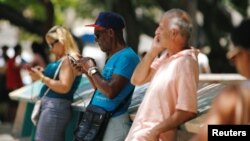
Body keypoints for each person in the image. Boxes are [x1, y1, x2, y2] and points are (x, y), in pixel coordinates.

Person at [125, 9, 199, 141]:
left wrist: (155, 131)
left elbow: (187, 110)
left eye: (161, 27)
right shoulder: (166, 56)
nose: (156, 32)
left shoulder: (186, 62)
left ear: (173, 33)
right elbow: (136, 79)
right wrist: (153, 51)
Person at [74, 12, 140, 141]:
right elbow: (101, 90)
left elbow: (110, 92)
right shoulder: (112, 56)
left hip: (113, 122)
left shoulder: (127, 57)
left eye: (98, 35)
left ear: (110, 32)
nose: (96, 40)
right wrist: (87, 71)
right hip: (100, 120)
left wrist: (92, 69)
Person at [189, 18, 250, 141]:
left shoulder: (235, 96)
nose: (235, 62)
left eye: (234, 56)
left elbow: (206, 136)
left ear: (245, 54)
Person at [28, 25, 82, 141]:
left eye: (52, 44)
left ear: (62, 40)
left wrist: (42, 78)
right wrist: (43, 73)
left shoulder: (69, 58)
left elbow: (64, 87)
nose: (51, 49)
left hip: (55, 107)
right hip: (53, 106)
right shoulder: (64, 58)